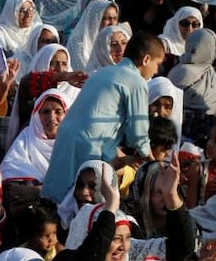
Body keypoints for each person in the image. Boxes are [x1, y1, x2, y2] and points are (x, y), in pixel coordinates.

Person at [40, 32, 163, 201]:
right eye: (158, 64)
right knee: (85, 200)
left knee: (58, 196)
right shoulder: (137, 81)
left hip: (67, 135)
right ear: (146, 59)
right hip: (89, 144)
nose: (156, 71)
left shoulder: (102, 72)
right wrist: (148, 158)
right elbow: (137, 131)